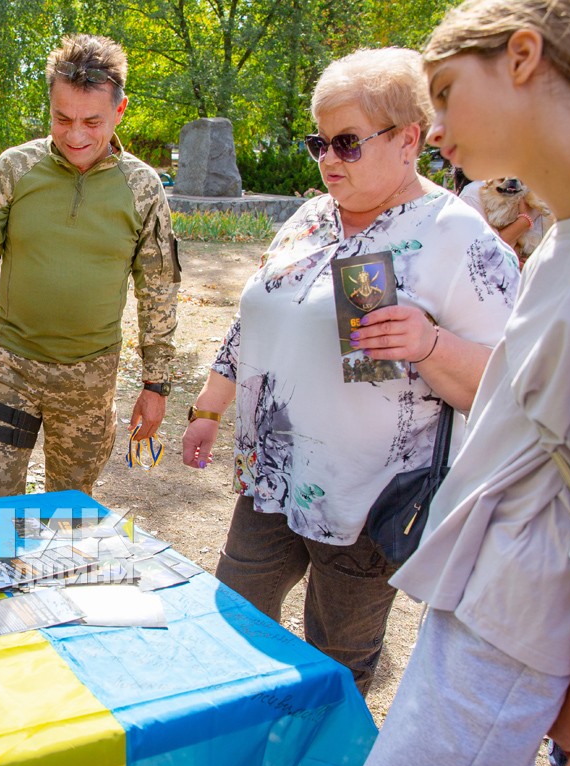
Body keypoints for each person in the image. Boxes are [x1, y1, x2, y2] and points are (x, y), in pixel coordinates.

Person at [180, 47, 519, 696]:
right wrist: (208, 406)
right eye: (318, 143)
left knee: (337, 663)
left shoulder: (458, 236)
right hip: (270, 479)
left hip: (368, 501)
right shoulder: (311, 216)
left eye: (347, 143)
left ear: (409, 139)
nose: (328, 160)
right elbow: (255, 316)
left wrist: (429, 344)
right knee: (234, 626)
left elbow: (516, 383)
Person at [346, 1, 570, 766]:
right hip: (486, 608)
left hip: (519, 622)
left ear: (523, 57)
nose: (435, 126)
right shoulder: (562, 235)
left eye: (444, 93)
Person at [0, 33, 180, 500]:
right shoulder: (15, 169)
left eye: (93, 121)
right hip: (12, 369)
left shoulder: (143, 188)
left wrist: (157, 383)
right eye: (62, 118)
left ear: (120, 110)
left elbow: (159, 289)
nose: (75, 135)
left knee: (71, 511)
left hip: (90, 377)